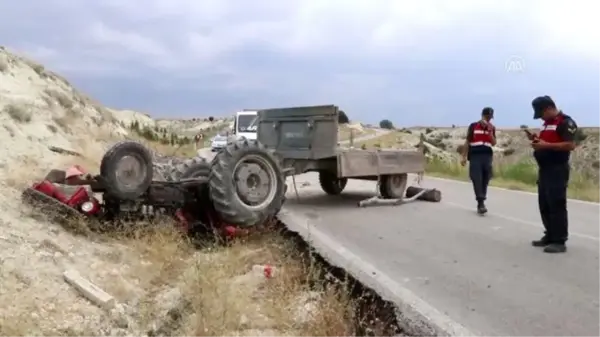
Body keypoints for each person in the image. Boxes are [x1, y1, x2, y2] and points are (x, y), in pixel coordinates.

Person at [528, 96, 577, 254]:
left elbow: (570, 145)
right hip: (545, 169)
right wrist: (536, 140)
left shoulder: (565, 122)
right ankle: (549, 234)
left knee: (556, 203)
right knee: (544, 203)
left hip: (557, 168)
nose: (540, 117)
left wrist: (546, 145)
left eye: (541, 113)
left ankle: (559, 240)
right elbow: (545, 144)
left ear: (549, 108)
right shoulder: (546, 125)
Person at [461, 107, 496, 214]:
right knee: (477, 178)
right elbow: (467, 142)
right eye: (487, 116)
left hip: (487, 155)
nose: (488, 119)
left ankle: (482, 198)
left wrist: (489, 131)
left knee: (486, 177)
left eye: (490, 117)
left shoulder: (492, 127)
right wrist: (463, 156)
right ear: (482, 115)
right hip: (475, 155)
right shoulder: (473, 126)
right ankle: (480, 202)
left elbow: (494, 143)